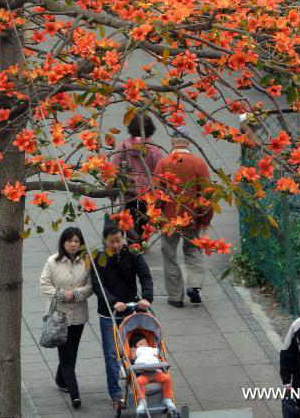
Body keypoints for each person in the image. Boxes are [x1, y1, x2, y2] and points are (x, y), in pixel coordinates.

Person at [91, 219, 154, 413]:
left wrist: (146, 298)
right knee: (112, 355)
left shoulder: (132, 254)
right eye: (112, 241)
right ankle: (116, 395)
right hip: (109, 314)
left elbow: (145, 276)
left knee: (137, 350)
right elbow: (98, 286)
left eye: (119, 240)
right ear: (105, 242)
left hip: (132, 308)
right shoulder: (98, 258)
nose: (116, 245)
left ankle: (139, 386)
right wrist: (113, 303)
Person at [154, 135, 213, 307]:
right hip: (192, 217)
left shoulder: (164, 163)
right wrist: (205, 219)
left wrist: (156, 216)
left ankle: (175, 296)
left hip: (169, 219)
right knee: (193, 251)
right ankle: (194, 285)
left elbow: (158, 193)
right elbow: (207, 194)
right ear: (188, 142)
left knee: (170, 256)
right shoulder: (198, 163)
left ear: (172, 143)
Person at [39, 226, 92, 409]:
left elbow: (91, 286)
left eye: (76, 241)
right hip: (59, 315)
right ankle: (75, 395)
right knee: (66, 355)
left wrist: (76, 294)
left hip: (78, 315)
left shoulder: (86, 261)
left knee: (72, 352)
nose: (73, 244)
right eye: (69, 240)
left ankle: (61, 379)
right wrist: (61, 294)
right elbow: (44, 284)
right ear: (63, 242)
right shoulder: (52, 261)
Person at [110, 113, 163, 241]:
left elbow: (112, 170)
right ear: (150, 128)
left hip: (128, 192)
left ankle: (131, 242)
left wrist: (111, 192)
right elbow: (160, 173)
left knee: (128, 220)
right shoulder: (154, 150)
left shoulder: (122, 147)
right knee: (145, 221)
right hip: (147, 194)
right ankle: (142, 243)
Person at [130, 334, 178, 416]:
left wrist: (158, 347)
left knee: (167, 378)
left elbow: (157, 353)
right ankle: (142, 401)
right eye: (141, 344)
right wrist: (133, 351)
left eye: (145, 343)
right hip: (144, 373)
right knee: (139, 381)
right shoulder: (136, 351)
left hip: (156, 372)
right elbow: (132, 358)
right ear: (135, 346)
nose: (144, 345)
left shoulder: (151, 349)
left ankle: (167, 398)